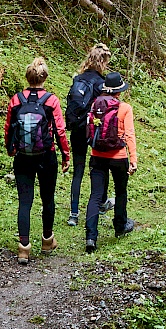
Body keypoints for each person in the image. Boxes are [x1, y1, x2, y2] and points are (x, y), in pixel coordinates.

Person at [4, 57, 70, 264]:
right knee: (47, 198)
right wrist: (66, 155)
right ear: (44, 77)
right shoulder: (51, 100)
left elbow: (9, 127)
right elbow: (60, 130)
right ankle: (47, 240)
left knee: (25, 202)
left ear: (28, 77)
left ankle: (23, 247)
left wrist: (10, 149)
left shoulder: (16, 99)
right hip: (46, 156)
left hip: (23, 157)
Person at [85, 71, 138, 254]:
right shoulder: (125, 108)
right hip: (118, 156)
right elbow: (129, 135)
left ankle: (91, 236)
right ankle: (120, 226)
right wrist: (133, 159)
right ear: (119, 91)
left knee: (95, 195)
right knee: (121, 191)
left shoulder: (95, 104)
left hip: (97, 155)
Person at [65, 43, 111, 227]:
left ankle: (73, 213)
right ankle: (100, 204)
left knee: (78, 170)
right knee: (99, 168)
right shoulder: (101, 83)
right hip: (93, 129)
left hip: (76, 128)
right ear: (102, 62)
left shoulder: (78, 79)